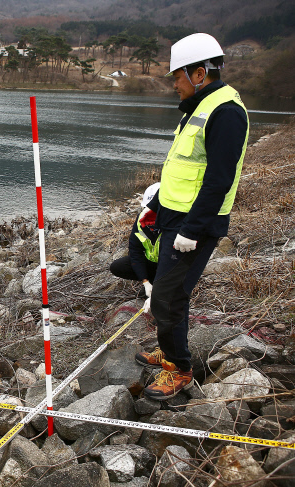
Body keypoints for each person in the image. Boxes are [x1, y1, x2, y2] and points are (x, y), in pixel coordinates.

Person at [135, 33, 249, 400]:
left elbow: (218, 180)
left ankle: (179, 368)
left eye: (177, 77)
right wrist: (156, 208)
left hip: (193, 227)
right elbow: (183, 171)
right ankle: (169, 353)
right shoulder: (199, 108)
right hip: (174, 218)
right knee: (170, 295)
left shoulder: (225, 112)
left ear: (199, 73)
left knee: (168, 298)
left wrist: (193, 230)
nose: (174, 84)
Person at [109, 182, 161, 305]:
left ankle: (160, 288)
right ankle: (151, 284)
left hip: (172, 266)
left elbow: (172, 259)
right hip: (153, 264)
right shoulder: (141, 220)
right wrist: (145, 281)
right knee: (118, 266)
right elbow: (135, 252)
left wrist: (160, 289)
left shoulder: (173, 225)